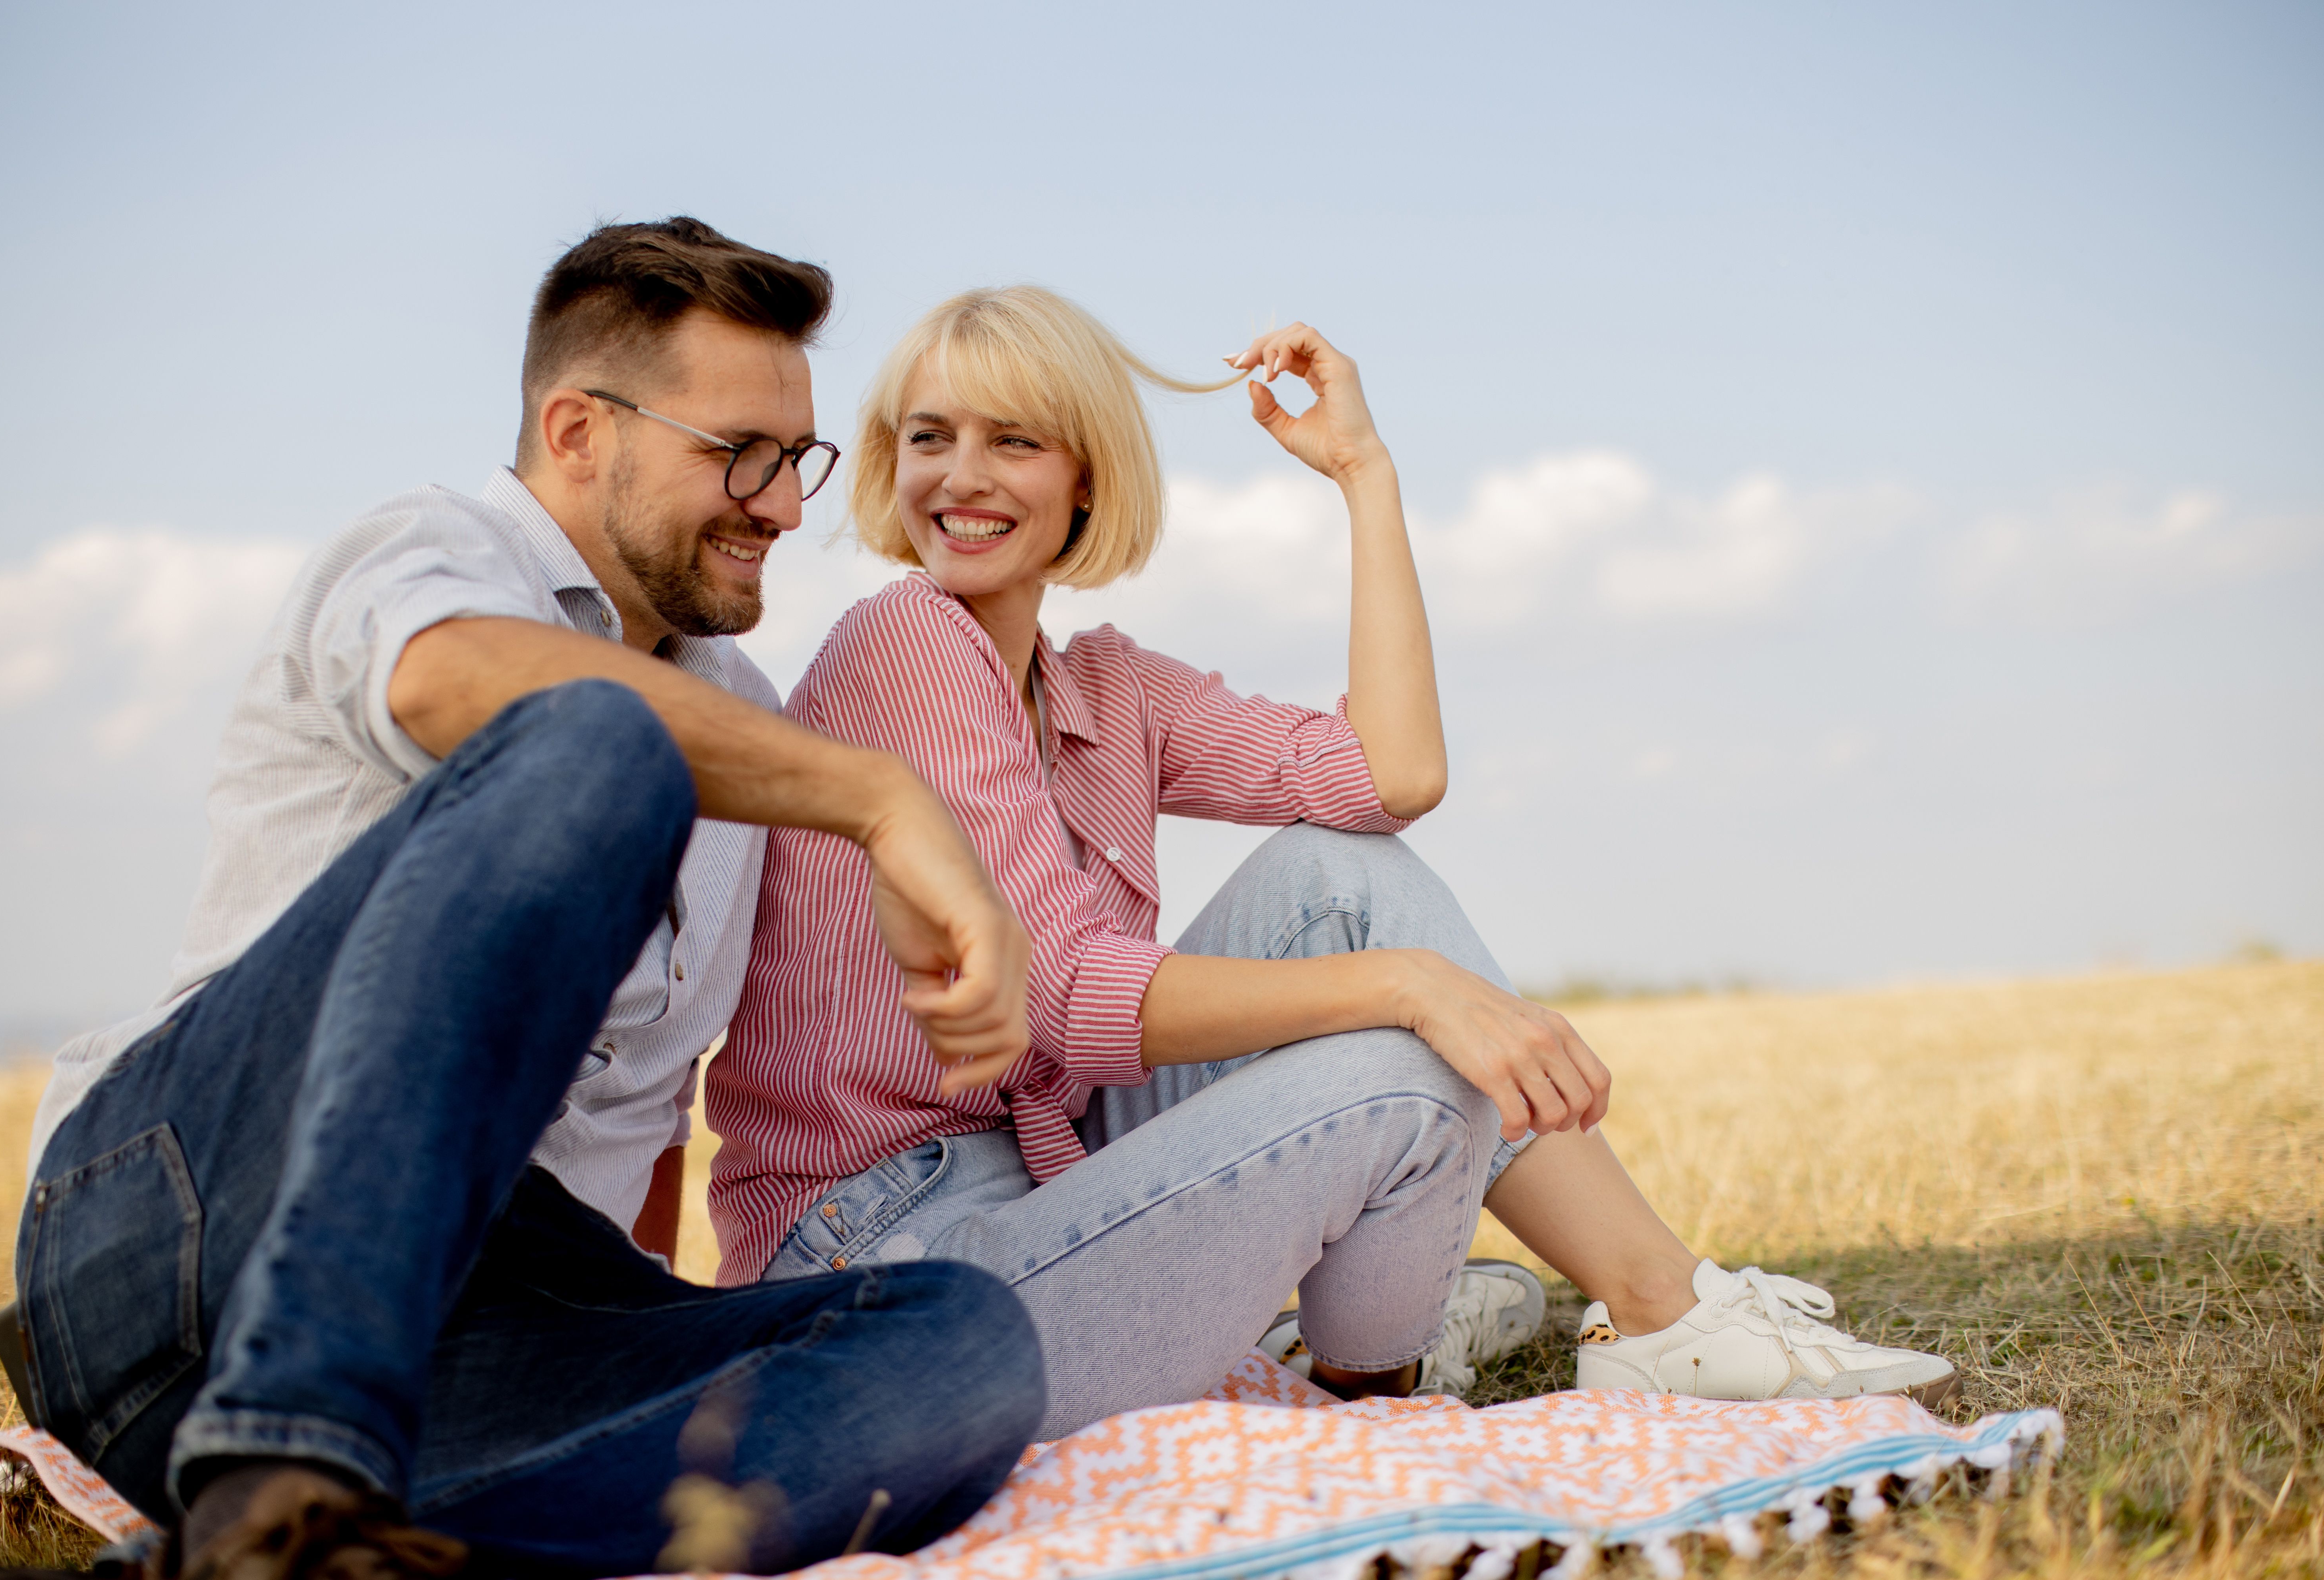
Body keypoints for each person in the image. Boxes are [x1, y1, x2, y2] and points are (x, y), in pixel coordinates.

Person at [704, 287, 1956, 1438]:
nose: (959, 479)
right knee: (1411, 1054)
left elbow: (1389, 780)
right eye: (930, 438)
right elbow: (1064, 997)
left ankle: (1649, 1311)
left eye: (1013, 442)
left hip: (1045, 1164)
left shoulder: (1105, 690)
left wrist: (1363, 472)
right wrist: (1415, 987)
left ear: (1089, 477)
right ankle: (1385, 1366)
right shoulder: (902, 640)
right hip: (875, 1258)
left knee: (1337, 880)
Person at [4, 221, 1044, 1580]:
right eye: (738, 454)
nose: (787, 508)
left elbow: (648, 1116)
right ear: (576, 431)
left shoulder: (746, 719)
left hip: (491, 1317)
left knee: (963, 1348)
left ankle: (298, 1549)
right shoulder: (430, 550)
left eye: (798, 460)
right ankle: (287, 1459)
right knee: (602, 739)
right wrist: (884, 797)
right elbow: (451, 682)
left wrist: (638, 1338)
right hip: (189, 1235)